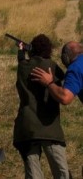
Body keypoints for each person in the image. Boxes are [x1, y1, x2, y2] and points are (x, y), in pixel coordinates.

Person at [13, 34, 70, 179]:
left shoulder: (23, 67)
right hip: (49, 127)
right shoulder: (50, 66)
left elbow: (22, 61)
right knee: (61, 171)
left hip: (27, 127)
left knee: (33, 173)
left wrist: (22, 50)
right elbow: (62, 76)